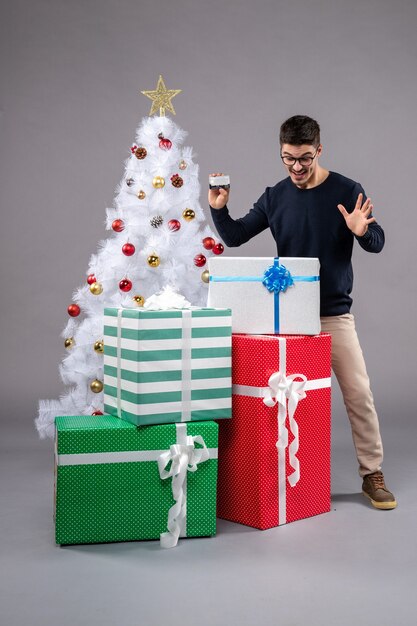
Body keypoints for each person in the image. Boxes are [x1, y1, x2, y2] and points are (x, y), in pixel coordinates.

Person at [208, 114, 396, 510]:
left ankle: (371, 474)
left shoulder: (347, 190)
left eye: (305, 158)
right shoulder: (275, 196)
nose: (296, 167)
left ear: (319, 150)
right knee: (283, 399)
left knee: (359, 393)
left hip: (333, 315)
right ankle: (284, 479)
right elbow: (235, 236)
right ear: (281, 153)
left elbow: (376, 242)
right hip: (289, 318)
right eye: (288, 158)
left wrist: (362, 231)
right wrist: (219, 210)